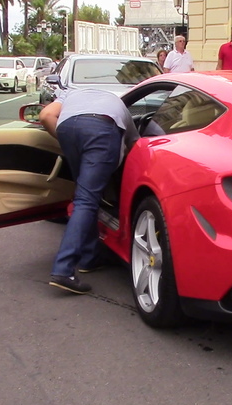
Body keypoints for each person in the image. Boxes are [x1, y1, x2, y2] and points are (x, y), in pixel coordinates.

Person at [39, 88, 140, 294]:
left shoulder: (70, 95)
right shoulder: (118, 105)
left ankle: (89, 257)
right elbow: (135, 146)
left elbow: (46, 116)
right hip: (103, 130)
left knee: (84, 197)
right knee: (87, 200)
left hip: (67, 128)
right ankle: (64, 270)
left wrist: (68, 141)